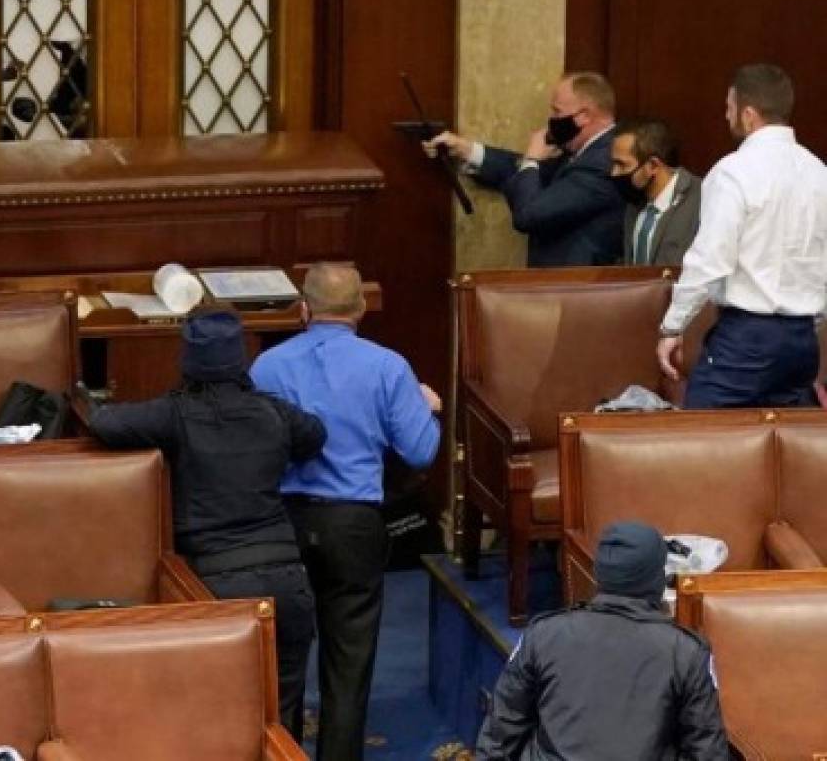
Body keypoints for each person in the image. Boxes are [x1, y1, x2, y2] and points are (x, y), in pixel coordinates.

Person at [88, 309, 323, 742]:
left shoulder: (175, 415)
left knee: (217, 717)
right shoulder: (273, 413)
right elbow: (314, 435)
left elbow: (104, 424)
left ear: (189, 361)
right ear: (241, 359)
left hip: (214, 582)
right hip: (287, 579)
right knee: (283, 718)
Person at [250, 263, 441, 761]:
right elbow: (420, 453)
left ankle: (282, 752)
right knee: (349, 660)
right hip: (353, 525)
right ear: (360, 309)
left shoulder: (265, 367)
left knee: (283, 658)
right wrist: (428, 409)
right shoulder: (388, 366)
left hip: (281, 524)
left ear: (303, 310)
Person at [475, 521, 728, 760]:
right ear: (657, 579)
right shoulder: (686, 652)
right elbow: (707, 752)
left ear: (599, 575)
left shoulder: (543, 634)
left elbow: (499, 734)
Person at [658, 64, 827, 408]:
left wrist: (673, 328)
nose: (726, 116)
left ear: (748, 115)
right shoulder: (819, 173)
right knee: (785, 452)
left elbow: (710, 259)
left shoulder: (733, 171)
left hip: (747, 339)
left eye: (729, 108)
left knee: (701, 442)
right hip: (803, 339)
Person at [423, 72, 623, 266]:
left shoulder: (603, 161)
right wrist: (467, 150)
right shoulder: (582, 151)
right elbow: (528, 173)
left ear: (584, 116)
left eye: (557, 111)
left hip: (577, 288)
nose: (551, 119)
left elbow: (529, 215)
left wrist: (532, 158)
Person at [612, 118, 701, 266]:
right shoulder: (634, 201)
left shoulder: (701, 199)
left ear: (653, 165)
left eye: (622, 165)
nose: (614, 173)